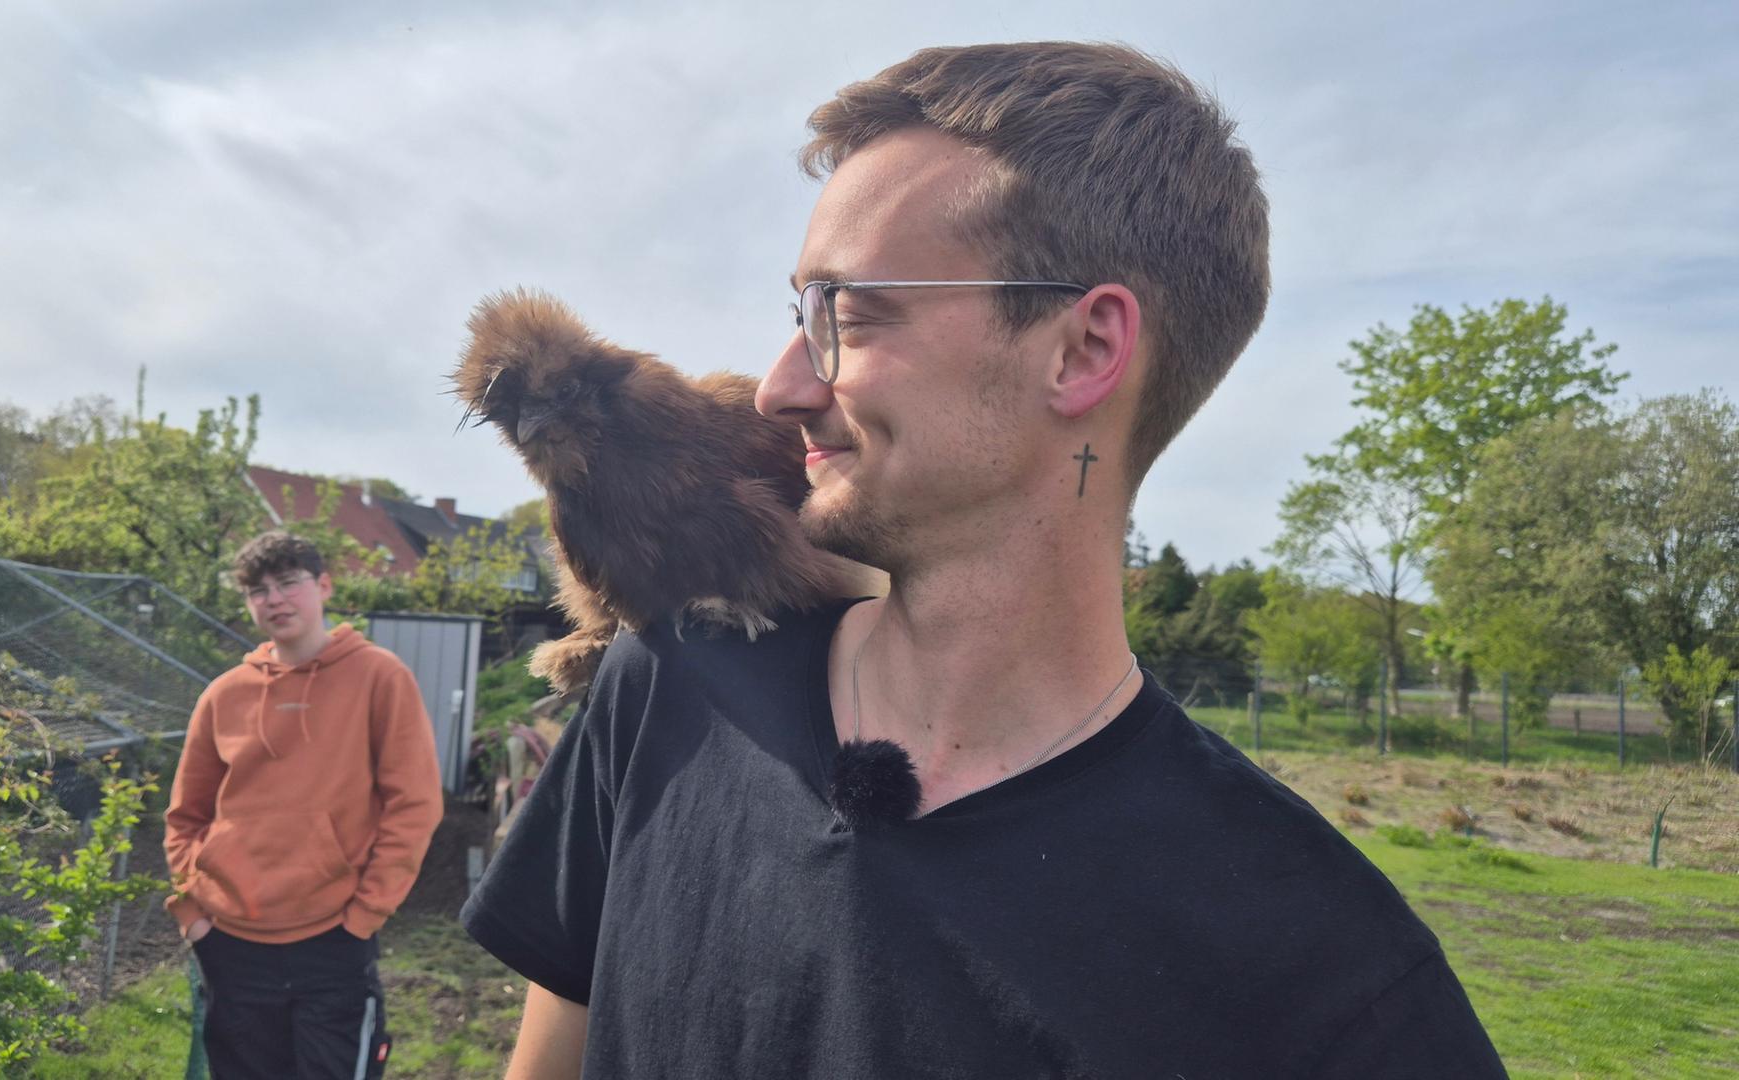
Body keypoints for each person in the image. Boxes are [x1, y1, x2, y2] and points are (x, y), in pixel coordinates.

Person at [462, 41, 1507, 1078]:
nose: (780, 386)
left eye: (852, 313)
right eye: (799, 314)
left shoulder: (1329, 986)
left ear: (1084, 349)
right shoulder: (660, 699)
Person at [165, 531, 443, 1079]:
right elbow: (185, 816)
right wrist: (192, 914)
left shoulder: (379, 677)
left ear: (322, 586)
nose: (275, 600)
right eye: (258, 590)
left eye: (288, 583)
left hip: (332, 941)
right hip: (230, 942)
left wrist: (364, 915)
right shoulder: (224, 694)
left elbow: (414, 805)